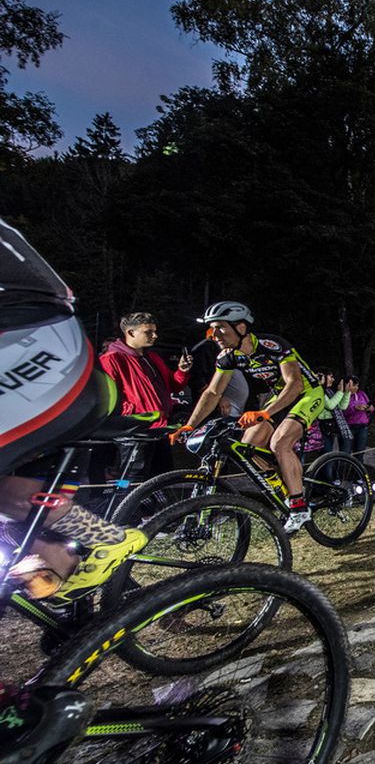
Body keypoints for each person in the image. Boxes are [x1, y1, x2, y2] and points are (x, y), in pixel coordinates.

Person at [0, 216, 147, 604]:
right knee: (11, 501)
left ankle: (108, 539)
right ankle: (69, 603)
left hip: (32, 338)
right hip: (29, 342)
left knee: (13, 499)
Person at [171, 302, 325, 533]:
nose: (215, 335)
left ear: (241, 327)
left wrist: (264, 413)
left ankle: (299, 506)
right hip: (279, 398)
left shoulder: (271, 345)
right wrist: (189, 425)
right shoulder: (228, 357)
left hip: (306, 393)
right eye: (211, 329)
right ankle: (284, 485)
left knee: (279, 443)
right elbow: (213, 392)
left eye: (221, 328)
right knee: (246, 447)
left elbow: (295, 384)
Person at [99, 311, 193, 478]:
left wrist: (182, 371)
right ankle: (125, 504)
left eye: (154, 331)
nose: (154, 335)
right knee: (134, 480)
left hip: (159, 429)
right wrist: (135, 414)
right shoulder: (112, 359)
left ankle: (164, 505)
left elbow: (173, 386)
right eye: (148, 332)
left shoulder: (152, 357)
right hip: (135, 432)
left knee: (162, 478)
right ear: (130, 332)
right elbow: (108, 398)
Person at [188, 326, 250, 418]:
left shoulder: (231, 351)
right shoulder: (207, 348)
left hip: (235, 411)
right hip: (218, 411)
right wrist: (219, 400)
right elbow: (196, 379)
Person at [315, 371, 351, 453]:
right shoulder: (318, 390)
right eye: (331, 377)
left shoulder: (328, 391)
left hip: (332, 426)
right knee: (327, 455)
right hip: (322, 427)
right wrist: (340, 392)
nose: (333, 379)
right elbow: (330, 405)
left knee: (332, 454)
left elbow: (342, 406)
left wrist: (347, 392)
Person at [344, 376, 375, 454]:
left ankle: (358, 465)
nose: (356, 388)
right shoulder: (343, 395)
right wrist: (354, 408)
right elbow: (342, 411)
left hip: (362, 427)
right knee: (346, 452)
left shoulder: (361, 394)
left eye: (357, 386)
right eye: (354, 385)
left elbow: (370, 406)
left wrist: (369, 408)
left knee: (360, 452)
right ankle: (344, 466)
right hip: (349, 427)